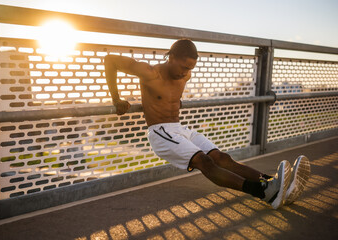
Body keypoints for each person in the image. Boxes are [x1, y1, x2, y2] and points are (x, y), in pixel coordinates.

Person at [104, 39, 310, 209]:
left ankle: (274, 183)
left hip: (180, 129)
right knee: (205, 162)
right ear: (171, 57)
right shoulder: (150, 72)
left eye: (190, 68)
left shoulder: (185, 73)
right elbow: (110, 60)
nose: (186, 73)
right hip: (161, 133)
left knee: (222, 158)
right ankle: (264, 192)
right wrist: (116, 98)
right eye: (184, 66)